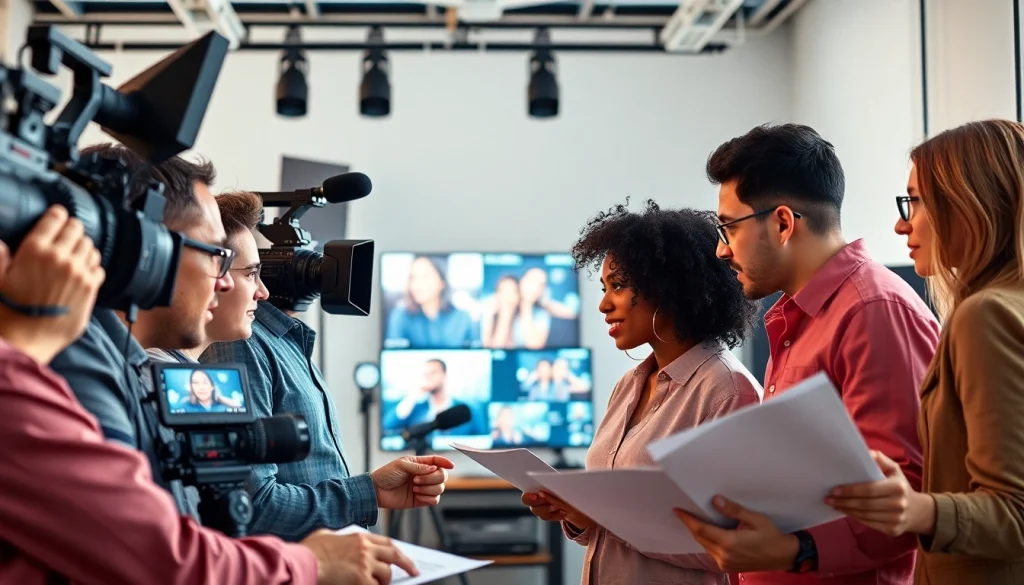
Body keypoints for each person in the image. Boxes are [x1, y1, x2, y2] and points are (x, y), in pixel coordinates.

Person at [0, 205, 419, 585]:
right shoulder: (107, 372)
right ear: (151, 258)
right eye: (219, 261)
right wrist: (313, 561)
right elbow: (171, 553)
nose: (226, 283)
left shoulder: (134, 368)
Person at [673, 123, 940, 585]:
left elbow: (905, 494)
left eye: (728, 228)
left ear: (782, 223)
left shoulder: (873, 310)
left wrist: (799, 550)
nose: (720, 250)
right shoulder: (798, 317)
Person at [523, 200, 763, 585]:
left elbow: (734, 546)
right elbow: (608, 528)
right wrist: (577, 514)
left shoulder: (728, 391)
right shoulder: (628, 385)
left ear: (666, 288)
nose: (603, 305)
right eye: (604, 288)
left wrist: (605, 517)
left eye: (618, 286)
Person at [827, 119, 1024, 584]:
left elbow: (1014, 512)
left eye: (914, 201)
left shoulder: (985, 316)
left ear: (968, 203)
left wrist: (915, 509)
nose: (901, 224)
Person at [199, 192, 454, 542]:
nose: (263, 290)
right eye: (253, 273)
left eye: (262, 273)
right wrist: (367, 492)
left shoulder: (287, 341)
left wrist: (371, 491)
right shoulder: (236, 346)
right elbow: (254, 504)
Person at [48, 143, 235, 520]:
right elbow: (146, 541)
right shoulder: (75, 362)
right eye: (217, 255)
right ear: (148, 250)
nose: (225, 281)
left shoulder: (124, 364)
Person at [385, 255, 479, 348]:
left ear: (442, 282)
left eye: (425, 277)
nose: (416, 284)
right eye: (413, 278)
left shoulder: (462, 317)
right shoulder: (401, 315)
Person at [381, 357, 487, 437]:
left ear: (445, 374)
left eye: (433, 373)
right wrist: (414, 394)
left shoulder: (467, 409)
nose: (428, 377)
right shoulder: (415, 409)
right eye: (425, 374)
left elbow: (482, 439)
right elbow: (388, 426)